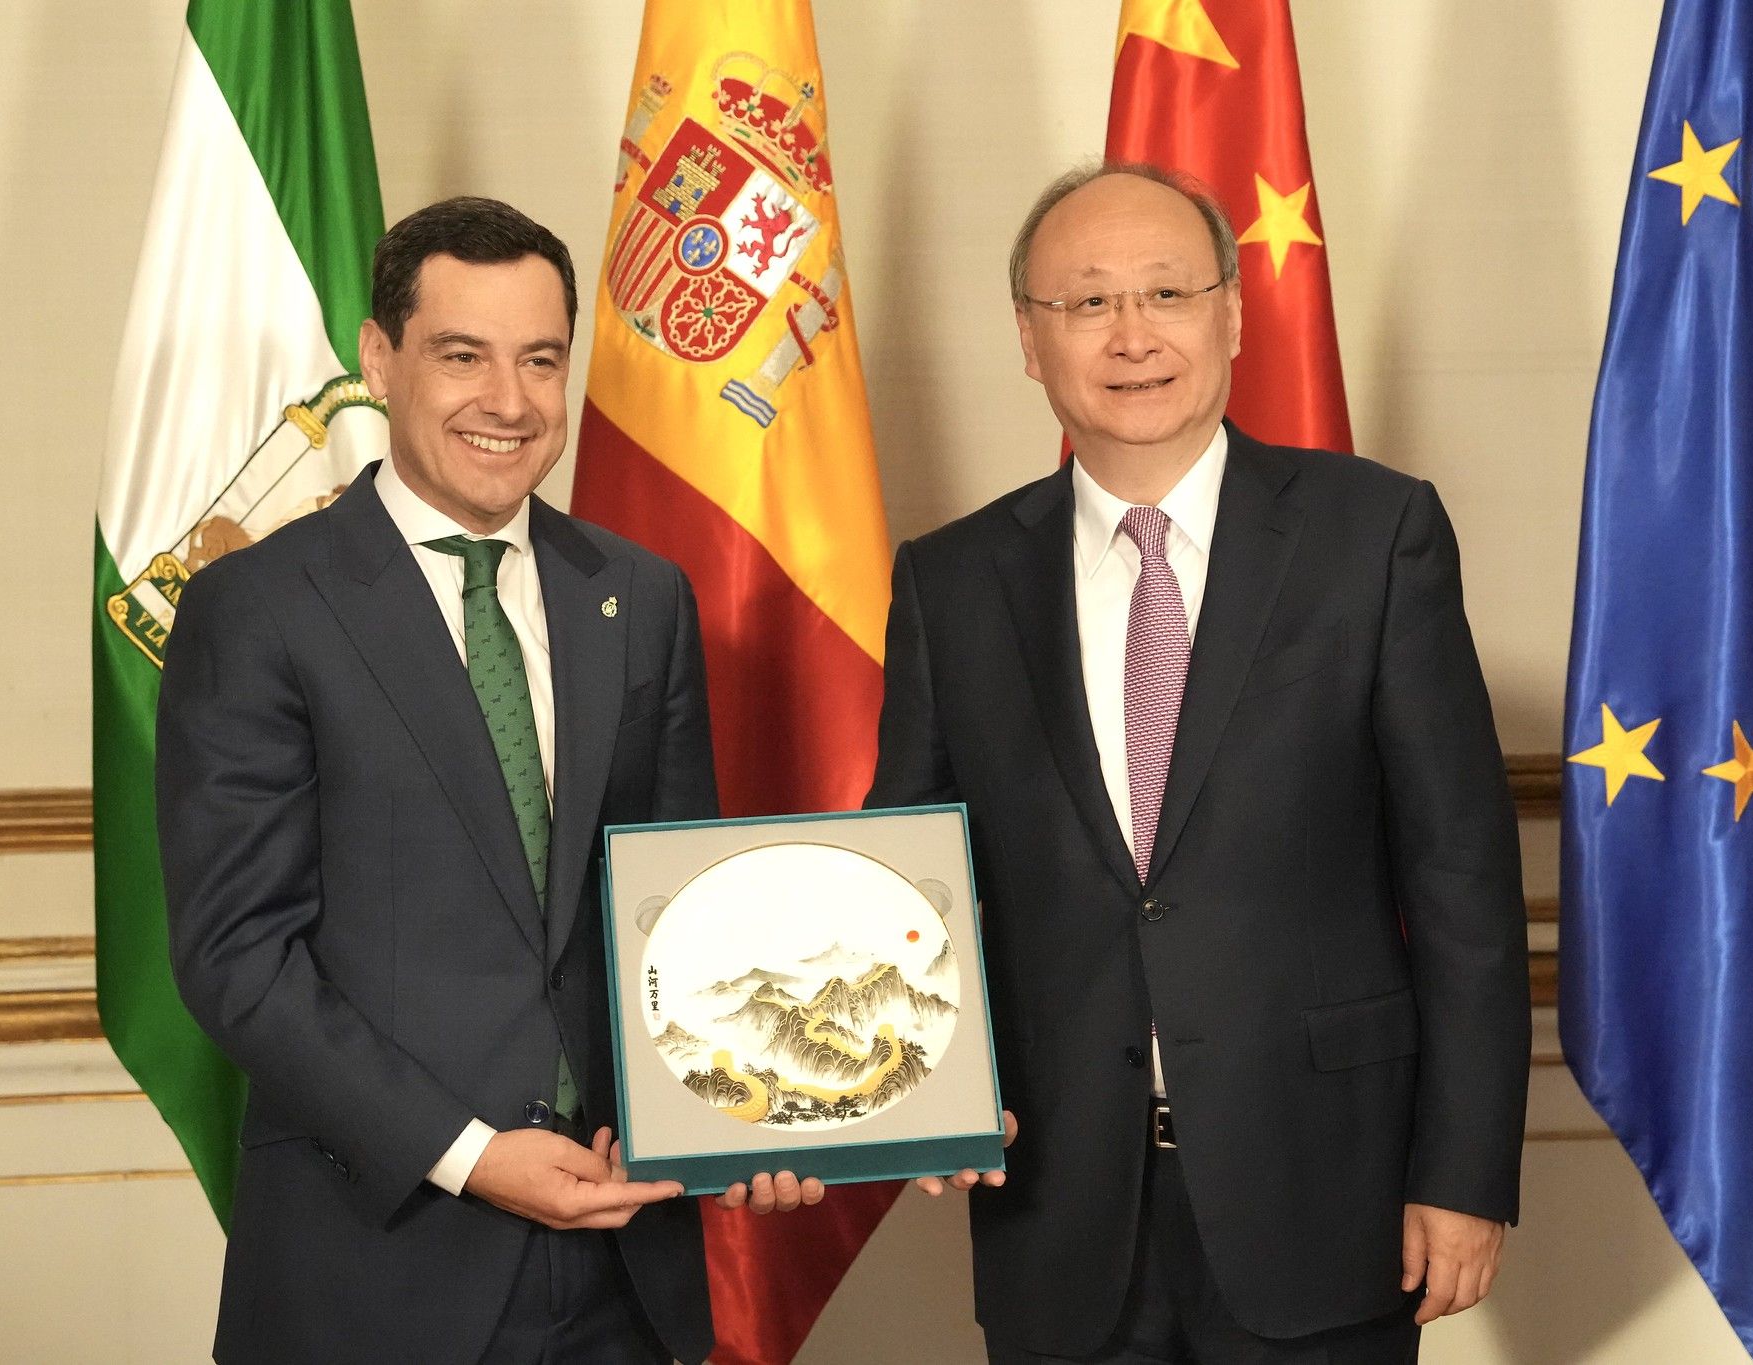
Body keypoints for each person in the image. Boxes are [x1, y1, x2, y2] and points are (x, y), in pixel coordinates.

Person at [869, 165, 1530, 1364]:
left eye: (1166, 293)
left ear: (1229, 314)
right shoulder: (951, 580)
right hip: (1059, 1216)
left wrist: (1466, 1172)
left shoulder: (1372, 536)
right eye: (1086, 304)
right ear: (1028, 338)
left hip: (1330, 1201)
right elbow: (906, 885)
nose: (1132, 337)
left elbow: (1463, 885)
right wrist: (906, 1104)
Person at [156, 196, 820, 1365]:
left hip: (623, 1254)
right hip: (378, 1264)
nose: (507, 401)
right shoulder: (258, 607)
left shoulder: (639, 594)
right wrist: (467, 1152)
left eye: (539, 360)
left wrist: (756, 1115)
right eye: (462, 356)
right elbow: (237, 958)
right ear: (380, 358)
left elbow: (679, 912)